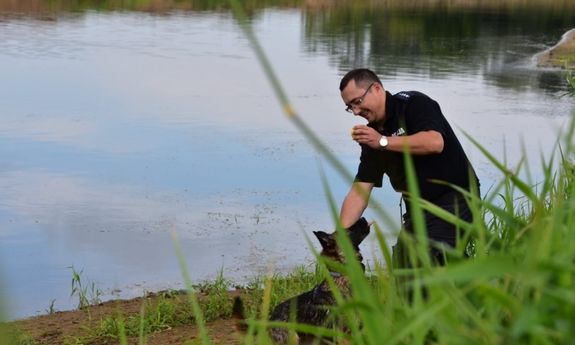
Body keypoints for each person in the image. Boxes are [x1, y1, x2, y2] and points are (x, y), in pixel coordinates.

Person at [338, 68, 480, 266]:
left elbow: (435, 142)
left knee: (428, 262)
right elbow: (360, 190)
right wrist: (338, 238)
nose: (355, 112)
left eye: (357, 102)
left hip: (455, 198)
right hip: (417, 208)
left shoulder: (413, 104)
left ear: (377, 89)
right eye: (349, 107)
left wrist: (383, 142)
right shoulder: (372, 137)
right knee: (403, 270)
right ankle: (473, 284)